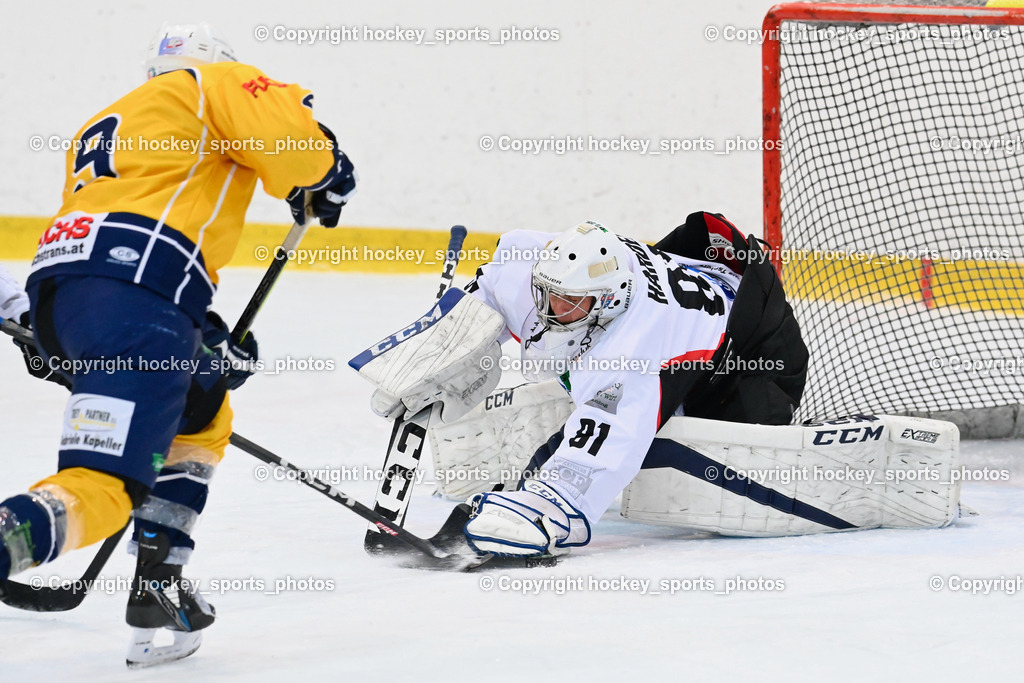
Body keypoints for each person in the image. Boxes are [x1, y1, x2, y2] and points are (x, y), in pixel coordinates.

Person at [0, 22, 357, 666]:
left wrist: (201, 343)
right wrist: (326, 169)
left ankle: (158, 577)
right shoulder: (210, 83)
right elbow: (293, 142)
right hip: (135, 303)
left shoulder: (105, 122)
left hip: (74, 300)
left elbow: (122, 232)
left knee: (203, 405)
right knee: (104, 487)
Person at [352, 214, 808, 558]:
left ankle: (685, 410)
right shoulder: (535, 268)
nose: (549, 310)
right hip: (697, 298)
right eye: (545, 294)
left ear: (607, 303)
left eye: (568, 304)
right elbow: (486, 298)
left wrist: (550, 504)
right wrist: (441, 352)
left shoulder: (634, 348)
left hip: (752, 352)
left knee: (693, 435)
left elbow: (613, 435)